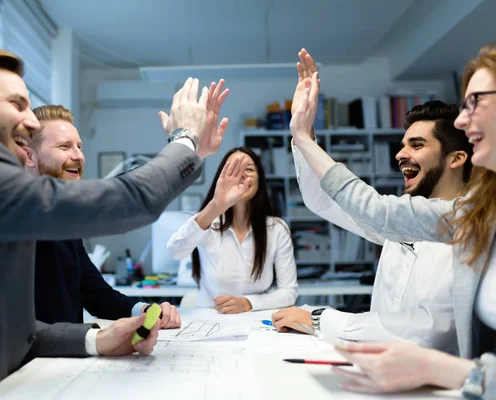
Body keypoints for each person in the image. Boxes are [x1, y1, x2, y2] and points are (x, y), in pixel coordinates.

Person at [0, 48, 235, 399]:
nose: (29, 121)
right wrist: (185, 139)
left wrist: (96, 337)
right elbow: (129, 200)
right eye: (17, 104)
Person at [289, 46, 496, 396]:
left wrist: (321, 319)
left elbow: (422, 335)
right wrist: (302, 139)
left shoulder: (468, 223)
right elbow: (324, 199)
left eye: (417, 144)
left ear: (458, 158)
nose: (400, 154)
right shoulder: (417, 220)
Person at [26, 104, 180, 328]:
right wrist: (183, 146)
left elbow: (98, 297)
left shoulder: (64, 224)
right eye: (64, 146)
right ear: (30, 156)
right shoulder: (16, 219)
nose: (78, 156)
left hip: (64, 359)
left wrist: (147, 310)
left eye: (79, 147)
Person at [167, 147, 298, 313]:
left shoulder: (276, 229)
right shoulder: (207, 221)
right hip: (210, 320)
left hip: (256, 323)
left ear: (260, 179)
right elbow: (175, 251)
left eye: (249, 169)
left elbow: (289, 292)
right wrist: (215, 206)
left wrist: (248, 303)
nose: (241, 175)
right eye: (233, 170)